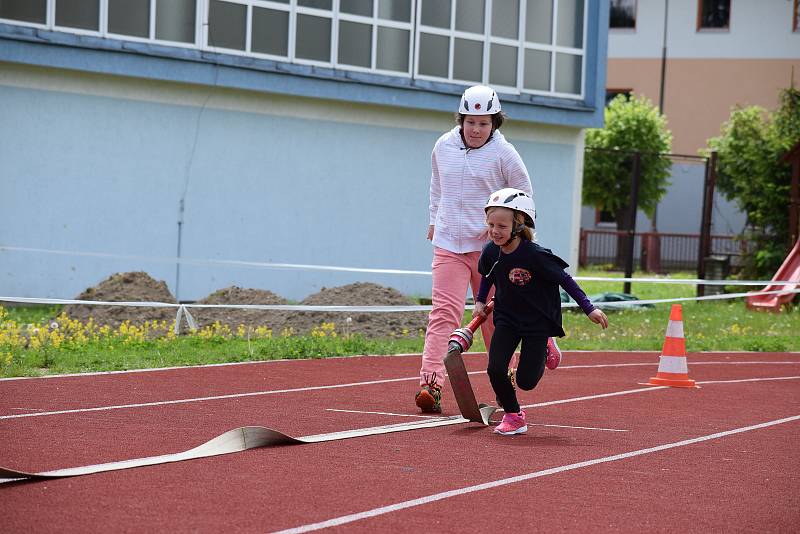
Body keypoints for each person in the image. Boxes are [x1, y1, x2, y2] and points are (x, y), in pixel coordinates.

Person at [416, 84, 535, 414]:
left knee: (494, 320)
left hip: (491, 251)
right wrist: (432, 220)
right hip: (448, 244)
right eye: (471, 122)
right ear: (461, 119)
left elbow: (524, 197)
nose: (476, 129)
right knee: (443, 315)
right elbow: (436, 187)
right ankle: (431, 384)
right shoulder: (443, 146)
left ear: (495, 122)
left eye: (484, 123)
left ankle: (505, 382)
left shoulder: (505, 154)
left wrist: (519, 237)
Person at [475, 188, 609, 435]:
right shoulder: (491, 251)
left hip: (537, 321)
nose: (495, 231)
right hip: (506, 318)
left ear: (519, 223)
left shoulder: (535, 255)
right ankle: (514, 416)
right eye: (491, 224)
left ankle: (547, 344)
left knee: (526, 381)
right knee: (495, 368)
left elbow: (565, 280)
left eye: (501, 226)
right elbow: (487, 275)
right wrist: (481, 301)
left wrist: (589, 308)